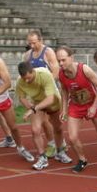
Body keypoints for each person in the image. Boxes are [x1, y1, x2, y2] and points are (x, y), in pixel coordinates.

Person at [16, 61, 72, 170]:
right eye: (24, 79)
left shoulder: (45, 74)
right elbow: (22, 97)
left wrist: (33, 109)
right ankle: (42, 158)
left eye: (29, 78)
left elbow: (50, 99)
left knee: (58, 128)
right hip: (37, 103)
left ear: (33, 71)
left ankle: (60, 151)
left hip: (53, 101)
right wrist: (30, 107)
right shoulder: (20, 81)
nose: (27, 81)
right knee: (35, 130)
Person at [23, 29, 63, 158]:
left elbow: (56, 72)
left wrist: (45, 86)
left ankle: (59, 143)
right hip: (36, 94)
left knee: (53, 122)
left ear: (41, 40)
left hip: (50, 92)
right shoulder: (27, 55)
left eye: (34, 43)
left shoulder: (48, 52)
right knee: (41, 122)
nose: (32, 46)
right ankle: (52, 144)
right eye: (30, 43)